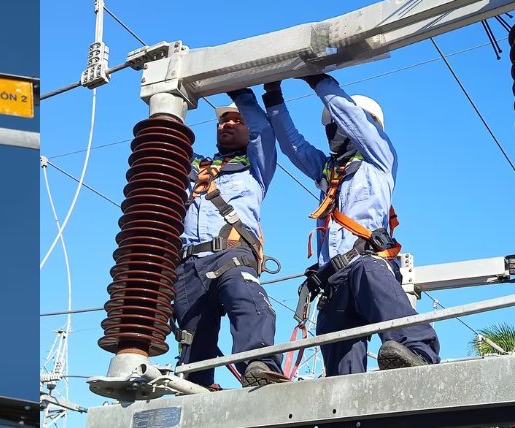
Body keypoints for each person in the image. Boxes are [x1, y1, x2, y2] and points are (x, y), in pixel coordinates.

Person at [264, 74, 440, 376]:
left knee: (369, 273)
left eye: (339, 119)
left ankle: (418, 352)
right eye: (330, 123)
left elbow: (356, 124)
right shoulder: (328, 170)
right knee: (340, 369)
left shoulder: (380, 157)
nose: (334, 127)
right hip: (333, 281)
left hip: (365, 264)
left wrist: (318, 81)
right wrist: (274, 98)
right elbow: (293, 145)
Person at [174, 86, 288, 389]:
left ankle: (260, 363)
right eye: (223, 121)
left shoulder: (256, 167)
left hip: (231, 252)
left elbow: (263, 130)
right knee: (193, 335)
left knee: (246, 298)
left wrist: (241, 94)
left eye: (237, 121)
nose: (228, 124)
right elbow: (170, 146)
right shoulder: (198, 167)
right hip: (188, 264)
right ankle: (194, 386)